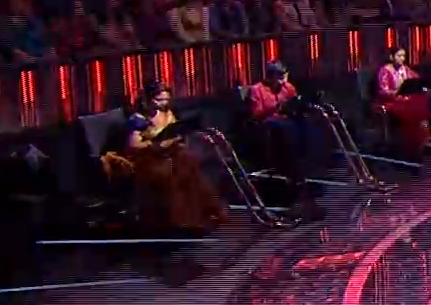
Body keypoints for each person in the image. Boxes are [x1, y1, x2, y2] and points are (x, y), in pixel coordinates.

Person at [118, 82, 227, 234]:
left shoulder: (168, 113)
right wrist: (157, 145)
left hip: (168, 153)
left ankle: (200, 215)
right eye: (159, 100)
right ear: (146, 100)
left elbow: (174, 132)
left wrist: (176, 137)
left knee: (189, 163)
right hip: (147, 158)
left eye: (166, 99)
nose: (164, 103)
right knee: (173, 172)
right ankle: (181, 220)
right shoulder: (138, 119)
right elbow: (133, 146)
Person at [246, 61, 324, 220]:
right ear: (270, 77)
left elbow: (295, 105)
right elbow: (256, 115)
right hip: (267, 125)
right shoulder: (256, 90)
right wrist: (277, 106)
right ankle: (293, 173)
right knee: (286, 128)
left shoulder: (288, 88)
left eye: (284, 77)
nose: (283, 81)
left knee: (308, 125)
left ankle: (308, 168)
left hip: (288, 121)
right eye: (279, 77)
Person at [374, 46, 431, 158]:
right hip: (390, 102)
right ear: (392, 57)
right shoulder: (385, 70)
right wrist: (397, 93)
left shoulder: (405, 69)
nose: (402, 58)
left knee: (421, 103)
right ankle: (411, 144)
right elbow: (383, 91)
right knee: (411, 109)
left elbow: (416, 80)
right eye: (399, 56)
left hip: (405, 100)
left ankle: (423, 140)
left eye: (403, 56)